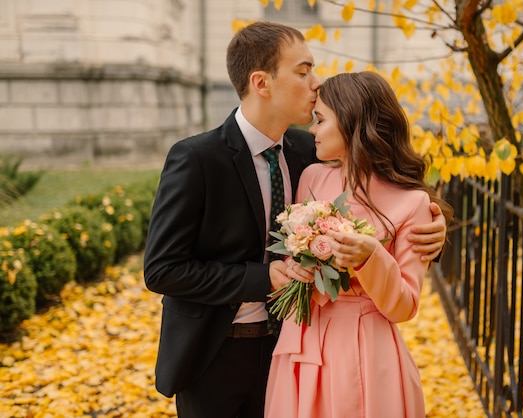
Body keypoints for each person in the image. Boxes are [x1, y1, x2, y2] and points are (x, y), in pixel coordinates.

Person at [143, 22, 448, 418]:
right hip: (214, 355)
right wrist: (264, 277)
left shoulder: (313, 152)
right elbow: (163, 269)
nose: (315, 84)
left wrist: (432, 235)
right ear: (261, 82)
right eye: (303, 72)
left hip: (293, 348)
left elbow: (378, 204)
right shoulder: (197, 159)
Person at [264, 71, 455, 418]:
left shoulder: (412, 204)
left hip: (365, 350)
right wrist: (296, 268)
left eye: (320, 120)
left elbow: (404, 307)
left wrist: (372, 257)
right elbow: (292, 251)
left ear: (352, 123)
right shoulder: (311, 177)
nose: (311, 130)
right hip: (302, 340)